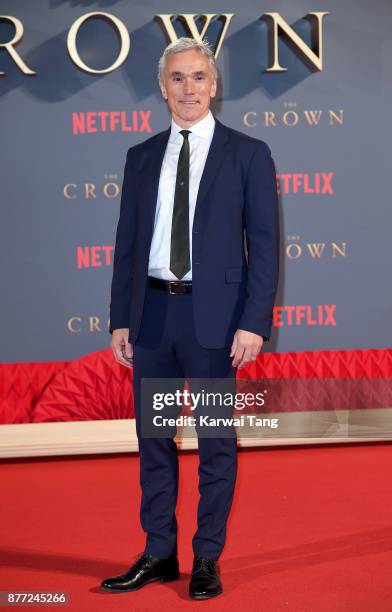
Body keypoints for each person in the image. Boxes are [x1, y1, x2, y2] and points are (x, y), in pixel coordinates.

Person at [101, 37, 279, 600]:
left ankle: (207, 557)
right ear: (162, 87)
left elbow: (266, 247)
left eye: (198, 77)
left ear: (214, 84)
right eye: (177, 78)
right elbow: (126, 245)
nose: (188, 89)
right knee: (153, 439)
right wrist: (119, 319)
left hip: (217, 324)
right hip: (152, 318)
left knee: (216, 442)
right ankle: (158, 553)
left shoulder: (248, 153)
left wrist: (253, 322)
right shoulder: (141, 155)